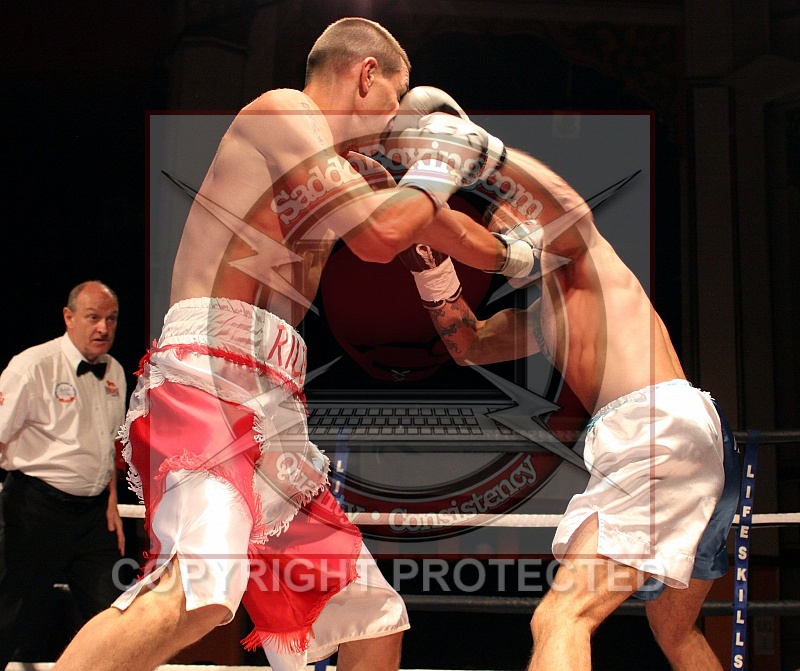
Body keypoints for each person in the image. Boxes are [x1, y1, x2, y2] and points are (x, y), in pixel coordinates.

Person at [53, 20, 533, 671]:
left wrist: (518, 255)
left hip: (274, 402)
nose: (393, 121)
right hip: (210, 376)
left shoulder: (346, 168)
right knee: (200, 591)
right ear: (366, 74)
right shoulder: (280, 113)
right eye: (393, 99)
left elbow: (435, 223)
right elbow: (378, 235)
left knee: (371, 619)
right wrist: (440, 160)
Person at [400, 140, 741, 670]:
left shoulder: (587, 256)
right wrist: (426, 260)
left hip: (655, 430)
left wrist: (478, 150)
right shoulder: (545, 317)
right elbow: (469, 344)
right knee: (676, 631)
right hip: (688, 439)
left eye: (515, 218)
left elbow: (563, 208)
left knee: (561, 617)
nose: (508, 234)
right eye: (498, 229)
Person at [0, 280, 126, 668]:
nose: (103, 328)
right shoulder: (32, 366)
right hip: (34, 510)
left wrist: (112, 501)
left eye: (111, 318)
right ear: (69, 317)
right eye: (93, 317)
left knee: (115, 620)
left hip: (93, 519)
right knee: (9, 616)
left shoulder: (115, 371)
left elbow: (107, 444)